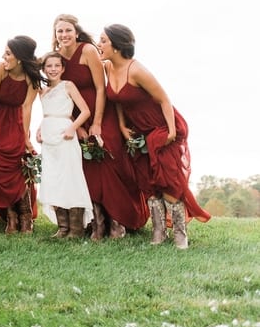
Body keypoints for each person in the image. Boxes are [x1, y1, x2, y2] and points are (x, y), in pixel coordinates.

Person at [99, 24, 211, 249]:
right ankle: (158, 232)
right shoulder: (108, 67)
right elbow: (117, 99)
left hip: (161, 127)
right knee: (147, 181)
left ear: (117, 45)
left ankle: (180, 234)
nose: (99, 45)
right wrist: (122, 126)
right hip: (137, 132)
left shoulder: (138, 70)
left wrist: (170, 131)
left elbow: (164, 100)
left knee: (167, 180)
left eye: (103, 41)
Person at [52, 14, 148, 240]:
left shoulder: (88, 51)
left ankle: (119, 221)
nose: (64, 35)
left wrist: (96, 122)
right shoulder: (56, 58)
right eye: (59, 31)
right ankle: (98, 221)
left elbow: (100, 88)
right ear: (55, 35)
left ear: (76, 32)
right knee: (86, 168)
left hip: (101, 112)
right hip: (75, 117)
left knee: (111, 162)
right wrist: (75, 126)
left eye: (68, 30)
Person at [0, 36, 42, 235]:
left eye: (8, 53)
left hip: (16, 122)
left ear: (20, 58)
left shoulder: (31, 78)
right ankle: (10, 215)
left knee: (18, 165)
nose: (3, 56)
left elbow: (26, 108)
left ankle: (24, 215)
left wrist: (25, 138)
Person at [36, 51, 94, 239]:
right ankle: (63, 227)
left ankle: (76, 228)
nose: (53, 69)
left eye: (56, 66)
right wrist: (39, 127)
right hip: (48, 136)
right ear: (44, 69)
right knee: (53, 179)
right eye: (49, 66)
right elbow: (48, 112)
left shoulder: (68, 85)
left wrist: (73, 128)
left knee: (70, 178)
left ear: (63, 68)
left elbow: (85, 111)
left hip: (65, 135)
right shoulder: (42, 90)